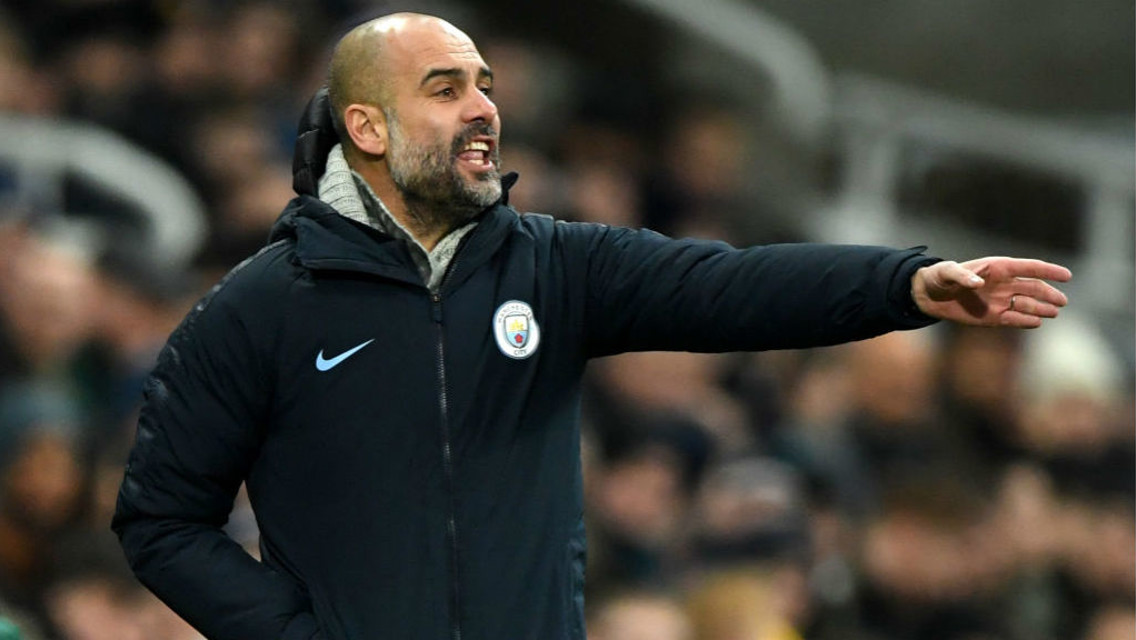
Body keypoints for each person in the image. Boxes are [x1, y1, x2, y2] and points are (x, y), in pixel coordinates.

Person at [111, 12, 1071, 640]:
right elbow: (159, 517)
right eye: (445, 89)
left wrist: (905, 284)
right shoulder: (260, 306)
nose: (484, 107)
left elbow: (729, 287)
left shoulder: (555, 265)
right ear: (368, 129)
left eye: (485, 83)